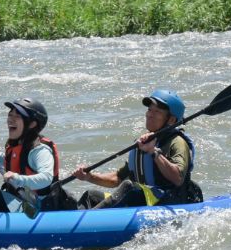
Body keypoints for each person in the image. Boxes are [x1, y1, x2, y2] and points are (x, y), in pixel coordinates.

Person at [71, 88, 201, 209]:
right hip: (143, 200)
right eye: (150, 110)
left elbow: (177, 178)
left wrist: (154, 152)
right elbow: (118, 178)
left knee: (130, 187)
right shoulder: (145, 142)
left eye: (157, 112)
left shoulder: (177, 142)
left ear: (171, 120)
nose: (149, 114)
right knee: (91, 195)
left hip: (167, 203)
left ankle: (87, 221)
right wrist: (89, 177)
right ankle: (72, 222)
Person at [0, 98, 73, 213]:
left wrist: (18, 178)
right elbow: (13, 163)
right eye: (10, 115)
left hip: (41, 208)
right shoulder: (18, 144)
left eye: (17, 116)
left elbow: (46, 178)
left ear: (32, 124)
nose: (11, 119)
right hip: (22, 202)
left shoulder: (40, 150)